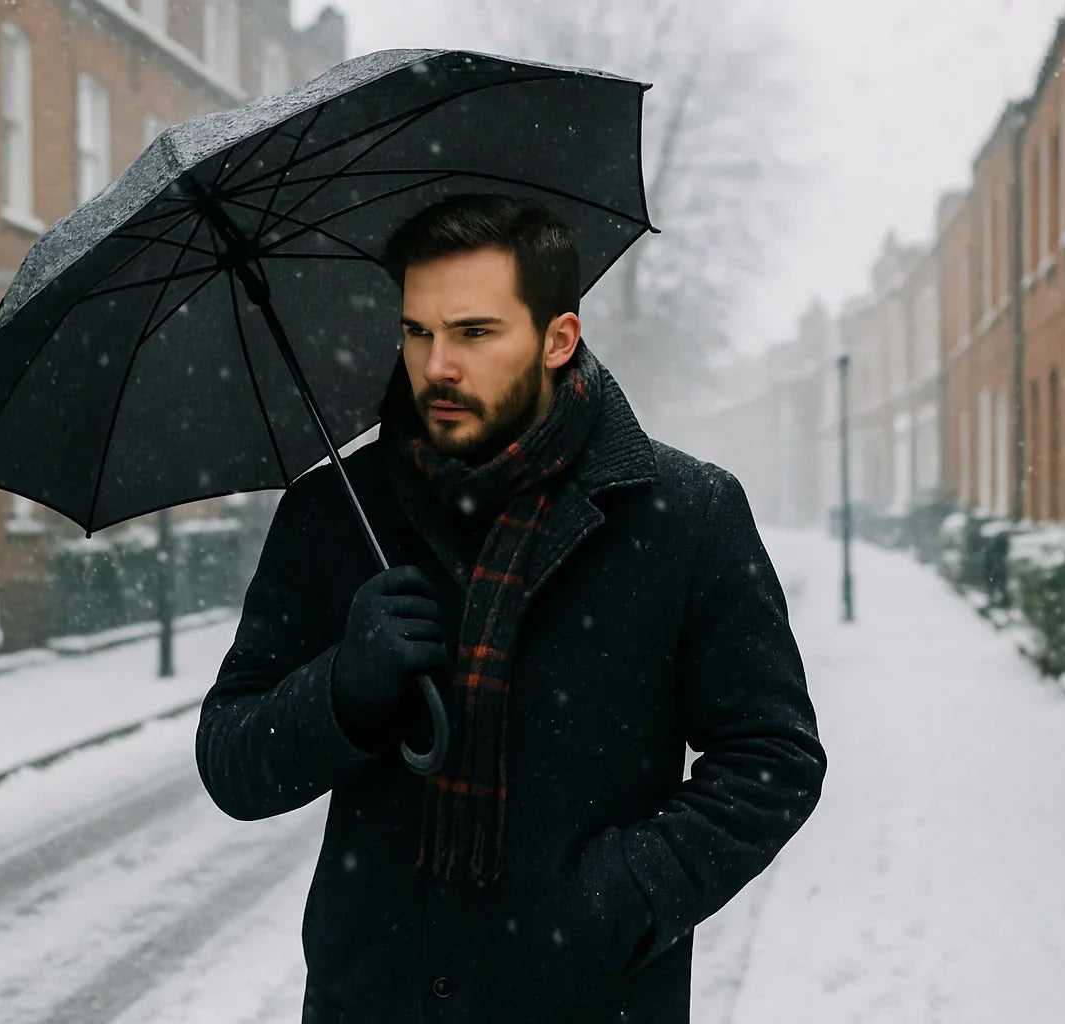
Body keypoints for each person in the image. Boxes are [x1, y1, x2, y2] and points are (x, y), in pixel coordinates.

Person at [195, 193, 826, 1024]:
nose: (436, 367)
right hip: (374, 1001)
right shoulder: (337, 513)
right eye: (417, 332)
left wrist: (620, 896)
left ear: (558, 338)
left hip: (589, 1000)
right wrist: (343, 690)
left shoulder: (682, 513)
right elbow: (232, 760)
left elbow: (774, 758)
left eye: (474, 333)